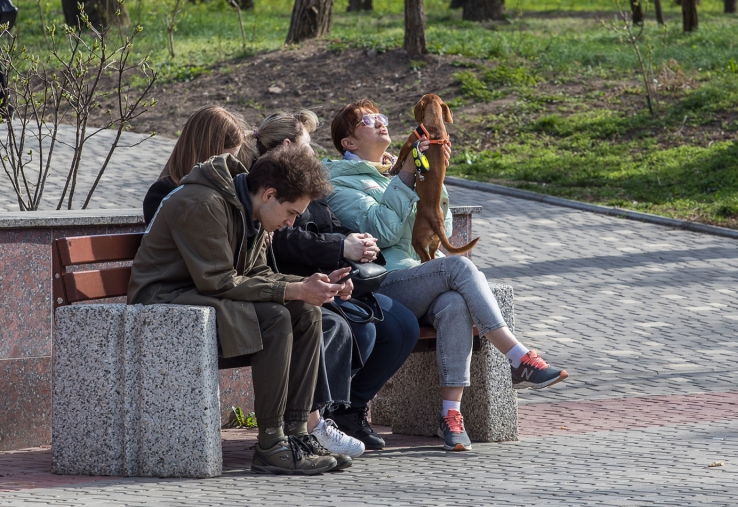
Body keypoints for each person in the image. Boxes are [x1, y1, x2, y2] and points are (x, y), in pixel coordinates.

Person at [325, 99, 569, 452]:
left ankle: (450, 416)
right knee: (458, 266)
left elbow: (445, 227)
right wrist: (407, 177)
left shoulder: (395, 172)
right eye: (368, 120)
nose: (381, 122)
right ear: (348, 143)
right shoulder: (340, 183)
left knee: (455, 303)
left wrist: (433, 178)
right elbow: (383, 231)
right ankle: (518, 358)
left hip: (420, 277)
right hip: (381, 285)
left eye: (381, 116)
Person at [140, 106, 360, 464]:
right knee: (274, 316)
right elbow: (218, 280)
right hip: (166, 300)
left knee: (307, 312)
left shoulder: (251, 205)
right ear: (270, 194)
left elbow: (257, 274)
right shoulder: (205, 202)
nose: (291, 223)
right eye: (291, 213)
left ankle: (298, 433)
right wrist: (293, 288)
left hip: (201, 294)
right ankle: (271, 442)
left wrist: (312, 285)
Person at [251, 110, 420, 451]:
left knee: (402, 325)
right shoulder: (269, 183)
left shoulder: (304, 178)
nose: (314, 152)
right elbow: (283, 241)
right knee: (360, 328)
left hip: (331, 276)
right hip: (298, 281)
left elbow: (328, 223)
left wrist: (356, 239)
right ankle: (318, 418)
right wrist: (341, 246)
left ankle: (350, 409)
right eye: (308, 145)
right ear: (288, 145)